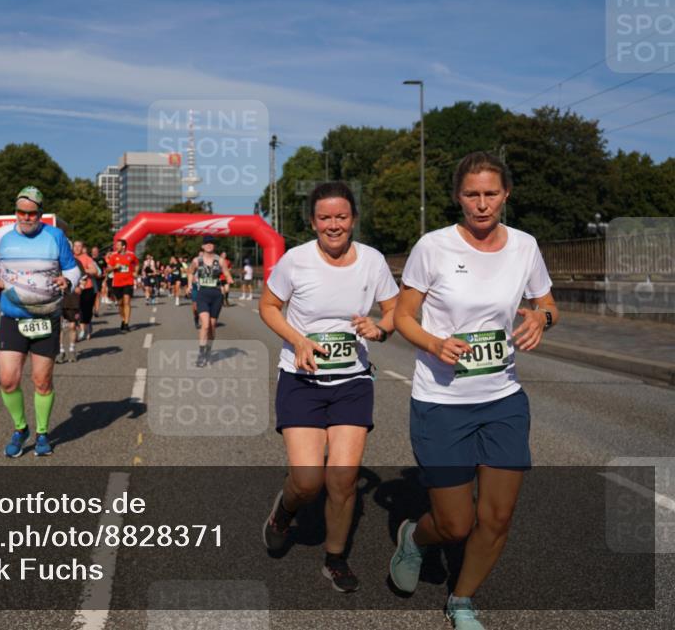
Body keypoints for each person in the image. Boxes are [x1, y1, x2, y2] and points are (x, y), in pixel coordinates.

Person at [388, 153, 557, 629]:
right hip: (442, 402)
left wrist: (541, 318)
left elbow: (547, 302)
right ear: (458, 197)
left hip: (503, 398)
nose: (481, 205)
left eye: (490, 194)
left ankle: (462, 600)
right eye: (471, 194)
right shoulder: (433, 247)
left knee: (498, 516)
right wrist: (433, 342)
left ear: (506, 194)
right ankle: (414, 539)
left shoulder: (524, 246)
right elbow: (403, 315)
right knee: (455, 524)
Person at [259, 181, 397, 592]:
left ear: (353, 218)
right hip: (301, 380)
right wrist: (299, 340)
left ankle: (335, 558)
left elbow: (394, 311)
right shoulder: (295, 261)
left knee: (343, 479)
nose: (333, 226)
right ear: (313, 221)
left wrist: (380, 328)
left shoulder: (372, 261)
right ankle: (283, 512)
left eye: (341, 217)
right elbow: (268, 306)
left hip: (352, 380)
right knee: (307, 481)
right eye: (324, 218)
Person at [0, 186, 82, 458]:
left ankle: (41, 432)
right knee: (7, 380)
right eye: (21, 212)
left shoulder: (55, 236)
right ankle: (20, 428)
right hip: (13, 317)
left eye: (32, 213)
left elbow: (73, 268)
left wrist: (68, 280)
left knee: (42, 381)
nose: (26, 218)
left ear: (40, 213)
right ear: (15, 212)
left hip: (45, 318)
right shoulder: (2, 235)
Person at [188, 235, 233, 367]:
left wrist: (229, 278)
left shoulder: (220, 260)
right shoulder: (197, 260)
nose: (209, 245)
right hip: (202, 294)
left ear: (214, 246)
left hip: (216, 295)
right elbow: (190, 272)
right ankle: (201, 354)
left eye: (211, 243)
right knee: (205, 324)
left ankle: (208, 350)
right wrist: (190, 284)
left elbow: (226, 272)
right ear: (202, 246)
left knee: (212, 327)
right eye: (207, 243)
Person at [105, 238, 138, 332]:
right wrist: (114, 267)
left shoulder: (131, 255)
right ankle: (123, 320)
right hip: (117, 283)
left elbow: (137, 264)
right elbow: (107, 270)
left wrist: (136, 271)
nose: (116, 247)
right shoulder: (113, 257)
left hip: (128, 282)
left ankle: (127, 323)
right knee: (120, 304)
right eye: (116, 245)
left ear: (123, 246)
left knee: (127, 302)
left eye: (118, 245)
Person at [72, 240, 101, 342]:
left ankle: (86, 329)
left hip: (87, 288)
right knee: (76, 310)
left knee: (86, 311)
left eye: (79, 246)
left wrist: (83, 270)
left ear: (82, 247)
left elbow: (95, 271)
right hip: (74, 288)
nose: (77, 248)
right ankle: (82, 330)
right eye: (75, 246)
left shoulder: (87, 258)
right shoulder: (69, 258)